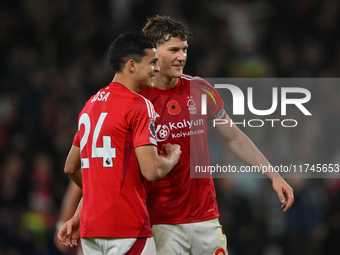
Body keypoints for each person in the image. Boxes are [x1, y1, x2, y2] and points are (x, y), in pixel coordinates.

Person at [59, 16, 294, 255]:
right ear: (152, 52)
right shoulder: (136, 103)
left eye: (184, 49)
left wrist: (274, 176)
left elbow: (235, 137)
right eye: (173, 50)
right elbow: (106, 170)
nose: (182, 57)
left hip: (206, 218)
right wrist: (80, 213)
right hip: (160, 223)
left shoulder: (200, 90)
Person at [57, 33, 181, 255]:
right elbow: (151, 170)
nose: (156, 69)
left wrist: (85, 208)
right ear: (131, 65)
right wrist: (172, 157)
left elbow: (71, 167)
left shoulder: (90, 105)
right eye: (152, 63)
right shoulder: (139, 105)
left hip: (91, 232)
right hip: (127, 228)